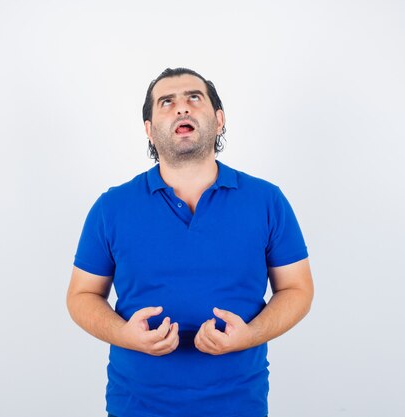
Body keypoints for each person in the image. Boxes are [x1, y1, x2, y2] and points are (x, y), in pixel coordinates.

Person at [67, 67, 314, 417]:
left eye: (193, 98)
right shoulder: (112, 207)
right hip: (136, 407)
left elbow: (297, 288)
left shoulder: (267, 200)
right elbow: (81, 295)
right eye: (167, 102)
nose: (181, 108)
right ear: (150, 131)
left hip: (238, 406)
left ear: (219, 119)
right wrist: (125, 335)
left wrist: (250, 334)